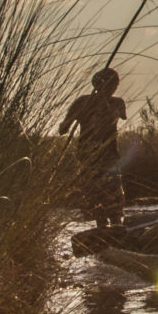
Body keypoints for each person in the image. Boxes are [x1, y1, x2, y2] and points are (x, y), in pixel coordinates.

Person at [59, 67, 128, 226]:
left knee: (114, 200)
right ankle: (101, 230)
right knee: (96, 201)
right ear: (98, 84)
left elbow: (114, 117)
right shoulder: (83, 102)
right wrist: (76, 115)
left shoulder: (117, 102)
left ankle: (117, 228)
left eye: (115, 85)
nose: (113, 88)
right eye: (110, 85)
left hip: (110, 158)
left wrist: (102, 99)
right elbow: (63, 129)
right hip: (88, 159)